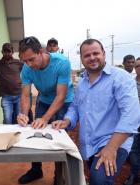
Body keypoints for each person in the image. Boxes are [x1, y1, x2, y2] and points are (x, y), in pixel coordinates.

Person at [52, 39, 140, 185]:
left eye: (96, 53)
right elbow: (75, 107)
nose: (92, 57)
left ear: (104, 54)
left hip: (113, 140)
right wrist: (67, 120)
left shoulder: (121, 78)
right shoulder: (82, 82)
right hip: (89, 141)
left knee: (99, 179)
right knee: (93, 176)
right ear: (81, 59)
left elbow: (131, 116)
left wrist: (111, 148)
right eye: (87, 55)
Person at [17, 36, 74, 184]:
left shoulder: (62, 63)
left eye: (32, 59)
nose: (29, 64)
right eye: (25, 61)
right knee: (35, 132)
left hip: (64, 101)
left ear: (41, 52)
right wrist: (23, 114)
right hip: (44, 99)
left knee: (60, 137)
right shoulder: (27, 68)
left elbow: (60, 96)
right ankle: (36, 169)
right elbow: (25, 94)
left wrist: (45, 118)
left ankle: (59, 175)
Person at [123, 57, 140, 185]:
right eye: (138, 65)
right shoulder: (131, 83)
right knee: (134, 150)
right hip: (135, 123)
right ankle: (134, 175)